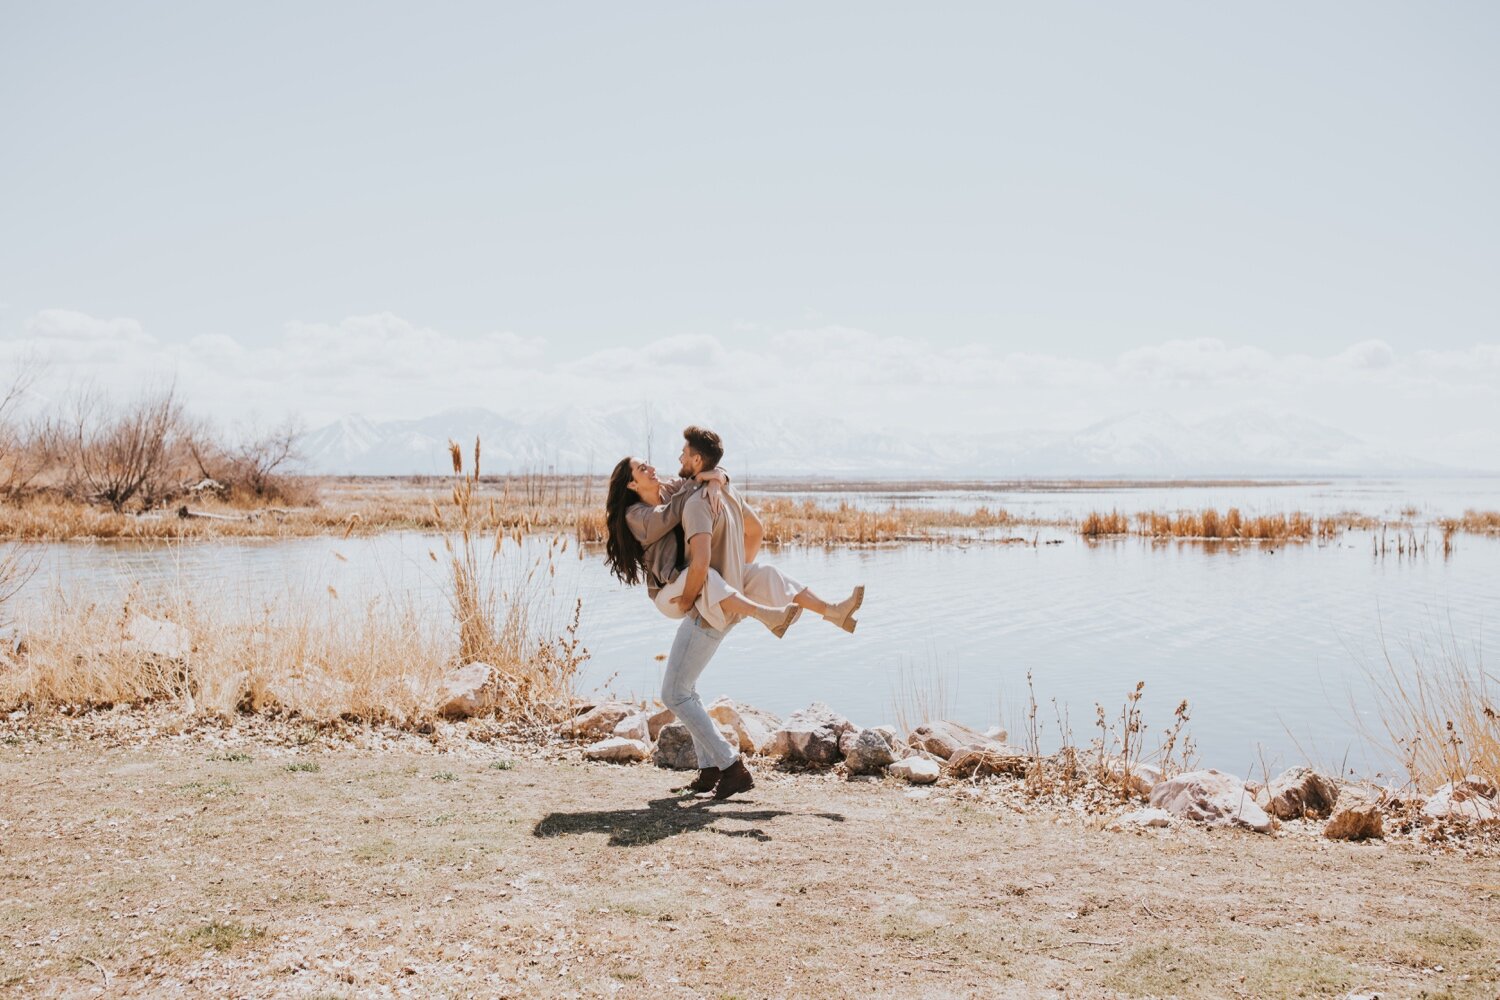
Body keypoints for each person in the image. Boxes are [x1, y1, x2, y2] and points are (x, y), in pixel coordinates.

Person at [603, 426, 864, 800]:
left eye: (654, 463)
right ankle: (764, 615)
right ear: (630, 485)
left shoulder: (680, 492)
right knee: (682, 682)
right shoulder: (640, 513)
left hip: (702, 591)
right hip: (671, 595)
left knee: (758, 576)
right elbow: (673, 515)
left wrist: (712, 480)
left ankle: (723, 767)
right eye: (643, 468)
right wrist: (711, 480)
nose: (655, 467)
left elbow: (695, 506)